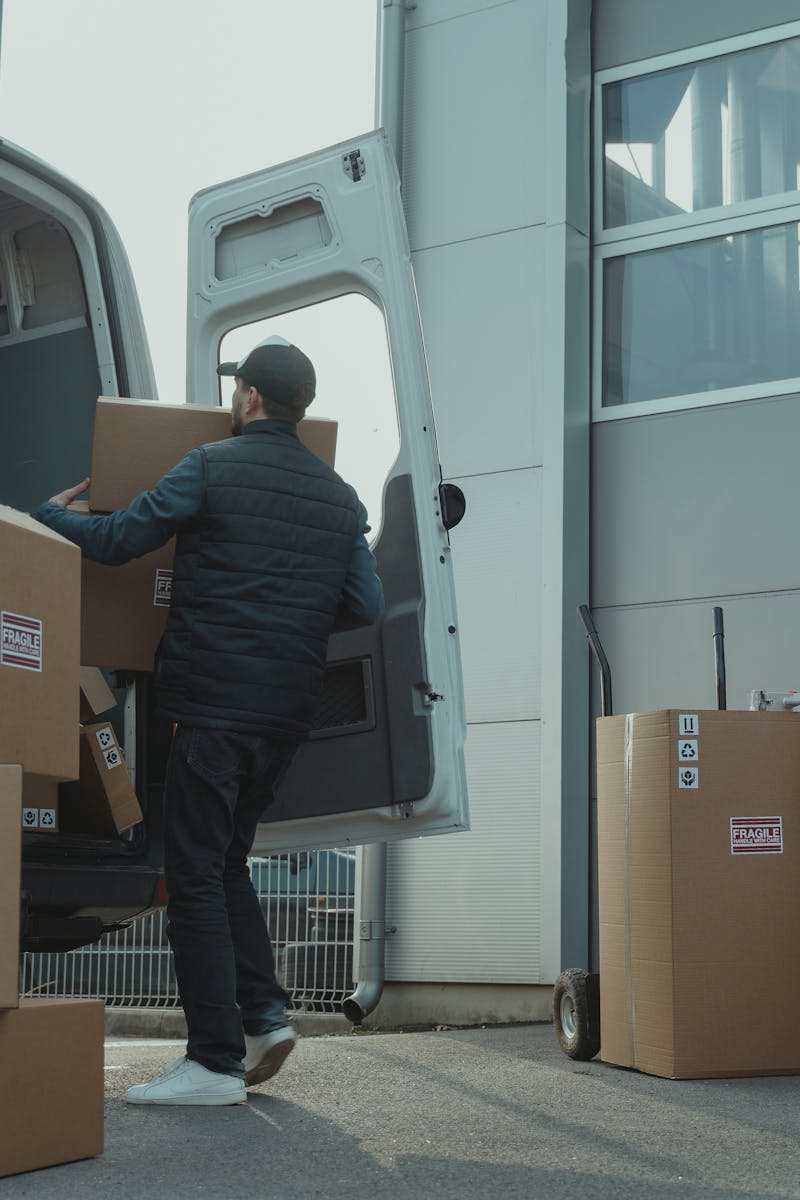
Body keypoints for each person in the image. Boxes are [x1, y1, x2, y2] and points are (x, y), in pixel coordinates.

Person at [36, 336, 384, 1107]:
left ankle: (215, 1061)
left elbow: (122, 540)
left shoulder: (211, 466)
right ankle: (263, 1016)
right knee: (226, 863)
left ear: (250, 397)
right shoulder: (338, 497)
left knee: (192, 874)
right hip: (283, 717)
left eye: (238, 390)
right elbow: (366, 605)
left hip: (210, 707)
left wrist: (45, 519)